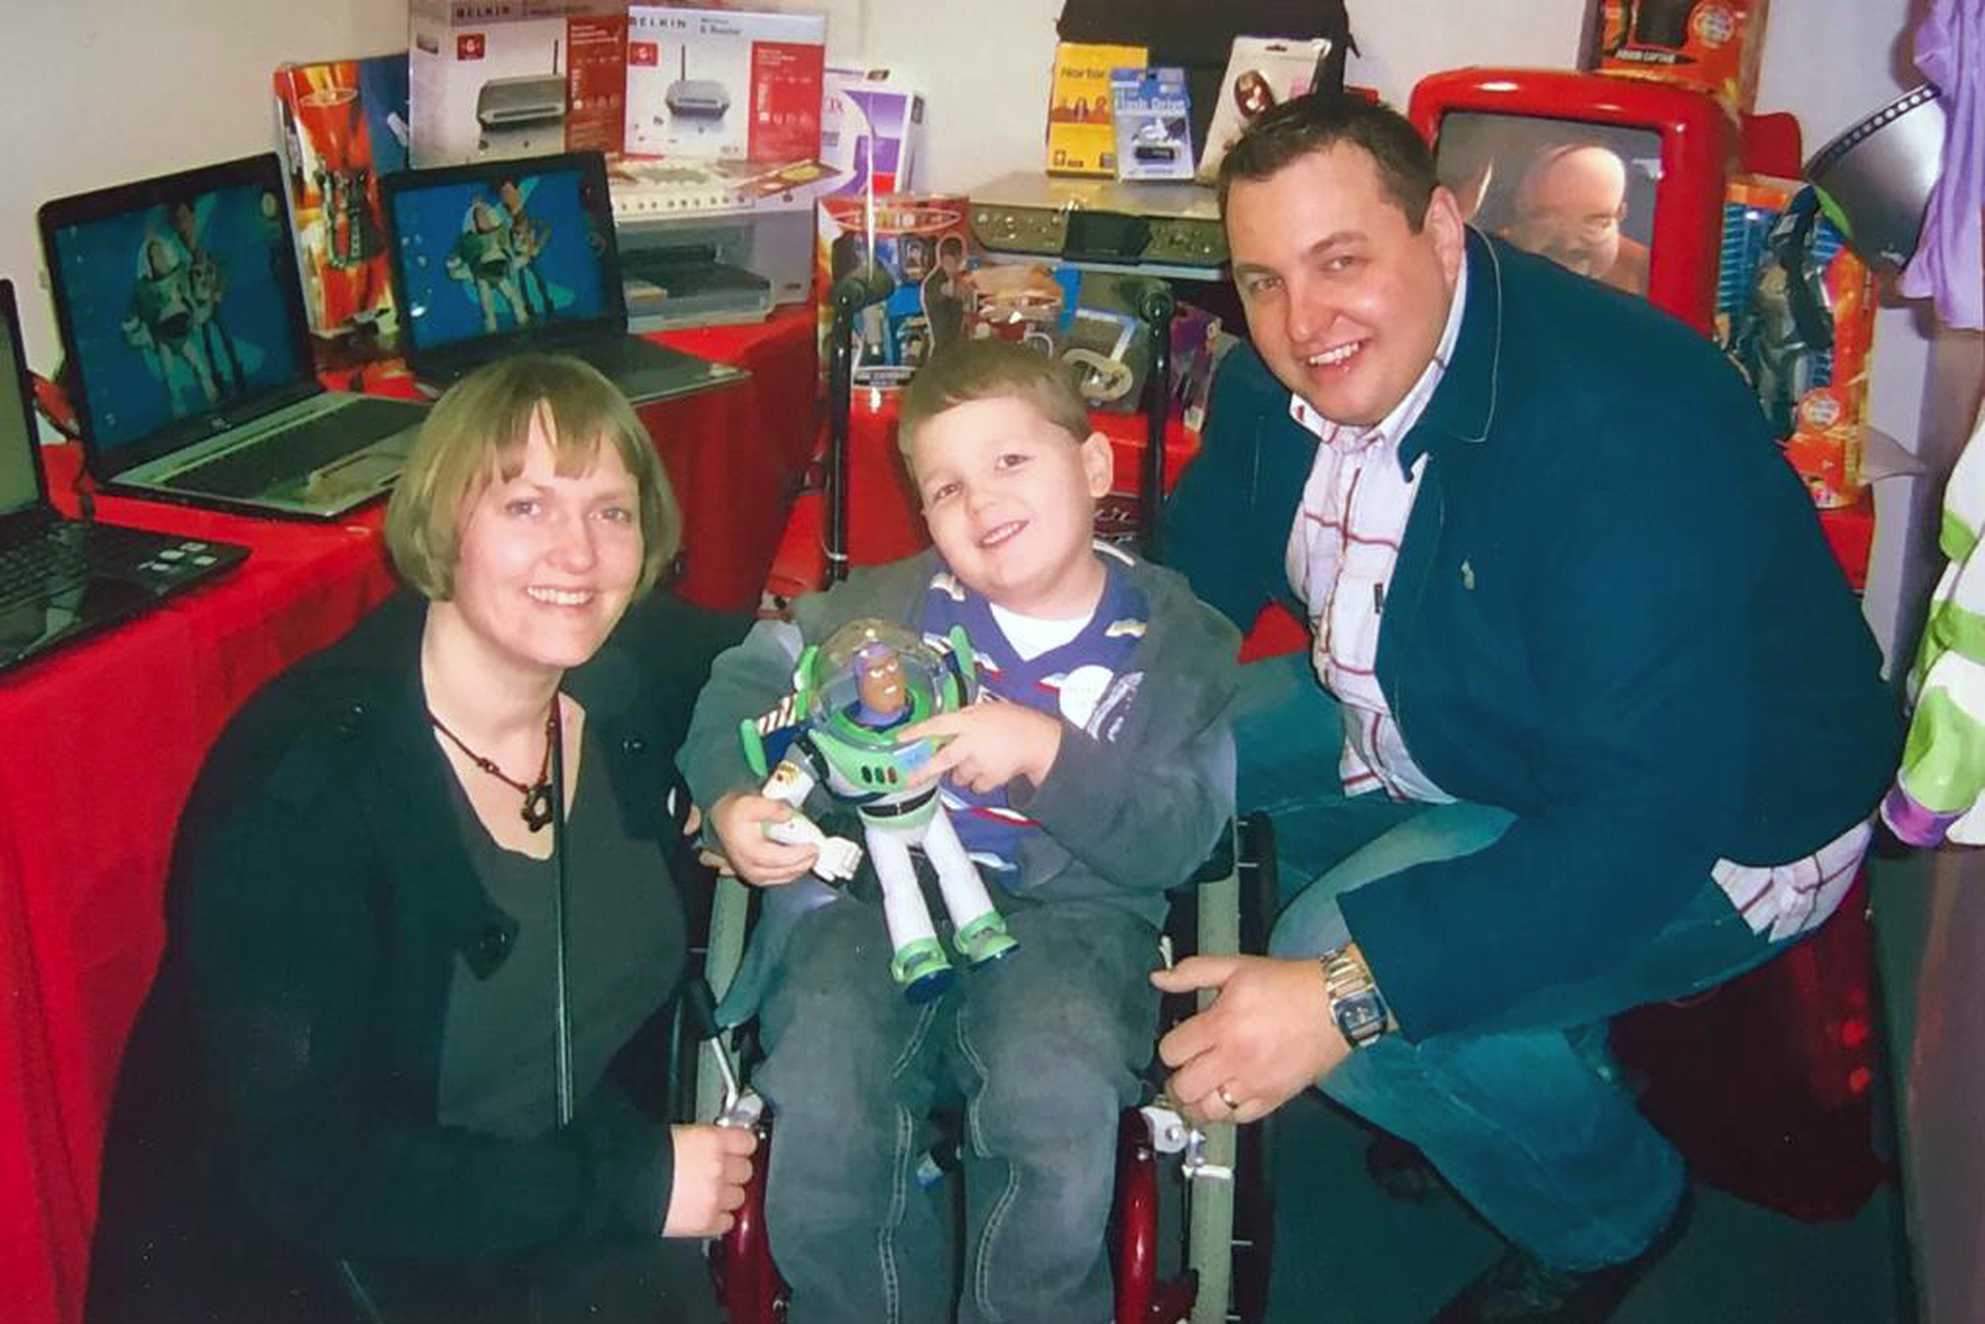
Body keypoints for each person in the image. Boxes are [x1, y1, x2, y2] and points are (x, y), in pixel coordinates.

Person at [1157, 94, 1900, 1323]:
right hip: (1454, 693)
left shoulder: (1619, 425)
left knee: (1325, 956)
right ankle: (1511, 1055)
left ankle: (1612, 1210)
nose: (1302, 323)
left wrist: (1346, 998)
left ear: (1441, 233)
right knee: (1182, 753)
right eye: (1262, 280)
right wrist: (1060, 701)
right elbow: (1194, 596)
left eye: (1341, 261)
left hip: (1720, 816)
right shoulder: (1277, 370)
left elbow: (1642, 826)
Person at [89, 354, 754, 1323]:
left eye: (610, 510)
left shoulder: (622, 680)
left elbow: (773, 664)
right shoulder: (308, 789)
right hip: (317, 1273)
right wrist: (629, 1184)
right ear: (443, 523)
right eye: (525, 507)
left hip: (538, 1219)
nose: (577, 553)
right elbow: (309, 1170)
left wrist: (733, 787)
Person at [679, 338, 1239, 1324]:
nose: (980, 503)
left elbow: (1175, 835)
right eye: (945, 486)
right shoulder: (882, 611)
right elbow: (744, 678)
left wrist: (1045, 753)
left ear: (1093, 467)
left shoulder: (1171, 650)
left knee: (1050, 1091)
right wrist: (731, 796)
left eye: (1010, 461)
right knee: (819, 1082)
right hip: (870, 898)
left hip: (1074, 915)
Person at [1501, 142, 1651, 296]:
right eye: (1548, 219)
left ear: (1621, 214)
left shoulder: (1648, 275)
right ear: (1520, 206)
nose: (1569, 245)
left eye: (1594, 223)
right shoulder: (1487, 258)